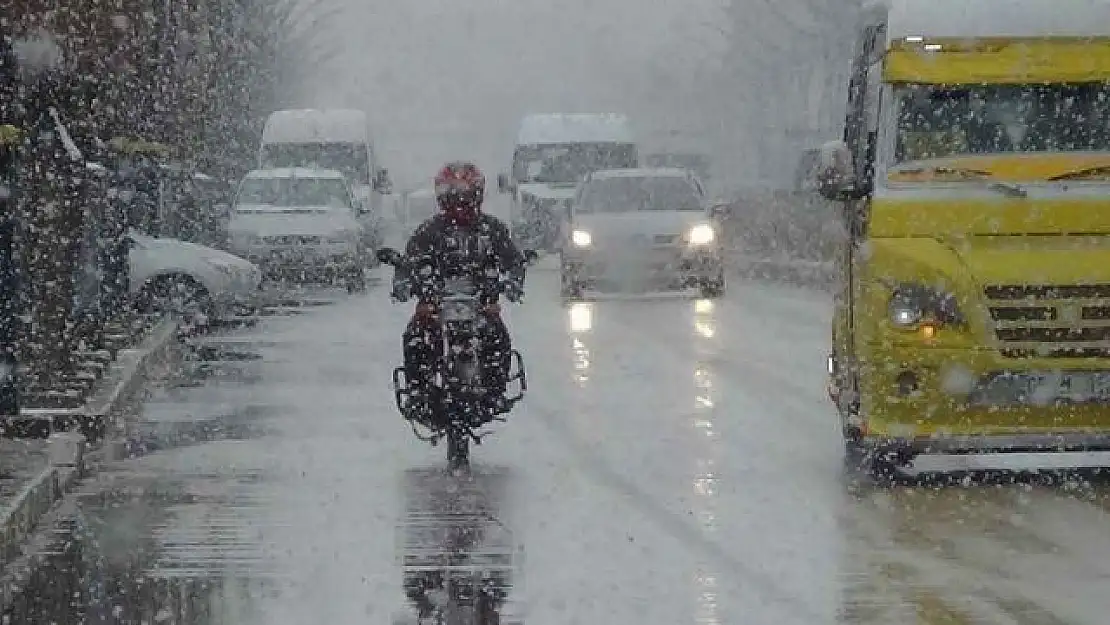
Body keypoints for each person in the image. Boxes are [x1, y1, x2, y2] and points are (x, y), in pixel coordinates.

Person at [391, 161, 526, 425]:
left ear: (477, 195)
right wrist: (404, 283)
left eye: (465, 195)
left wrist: (511, 282)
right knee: (415, 338)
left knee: (498, 338)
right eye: (453, 195)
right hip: (435, 306)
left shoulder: (492, 230)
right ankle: (418, 392)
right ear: (442, 197)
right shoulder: (428, 232)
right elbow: (409, 263)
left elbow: (512, 261)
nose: (460, 202)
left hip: (481, 306)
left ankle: (495, 391)